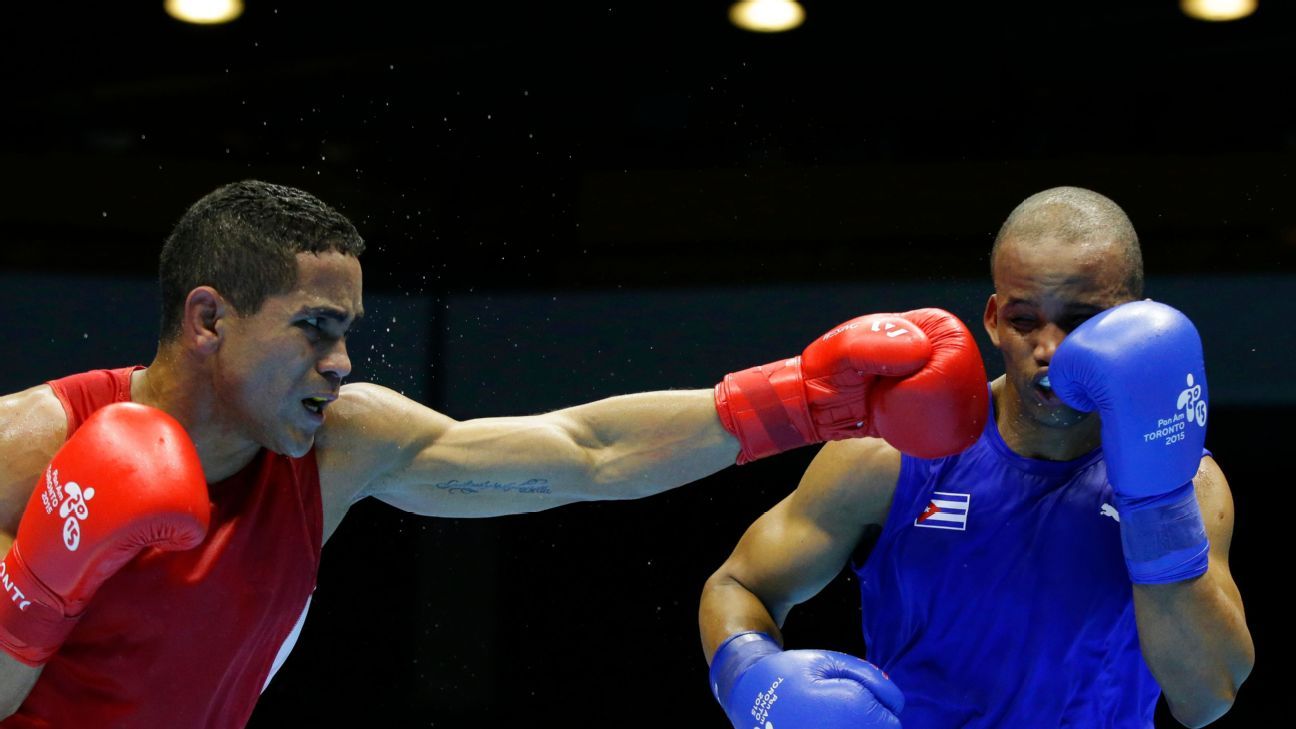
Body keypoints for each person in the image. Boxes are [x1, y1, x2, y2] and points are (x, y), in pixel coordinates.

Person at [0, 180, 990, 727]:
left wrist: (804, 401)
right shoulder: (32, 446)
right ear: (209, 318)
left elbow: (585, 452)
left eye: (348, 330)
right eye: (313, 327)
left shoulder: (336, 447)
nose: (340, 363)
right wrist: (35, 589)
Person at [699, 186, 1255, 729]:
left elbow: (1205, 699)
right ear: (992, 319)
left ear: (1131, 319)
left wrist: (1157, 509)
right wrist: (751, 677)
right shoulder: (893, 454)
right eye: (1024, 321)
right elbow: (740, 585)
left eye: (1081, 320)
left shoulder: (1189, 485)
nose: (1049, 349)